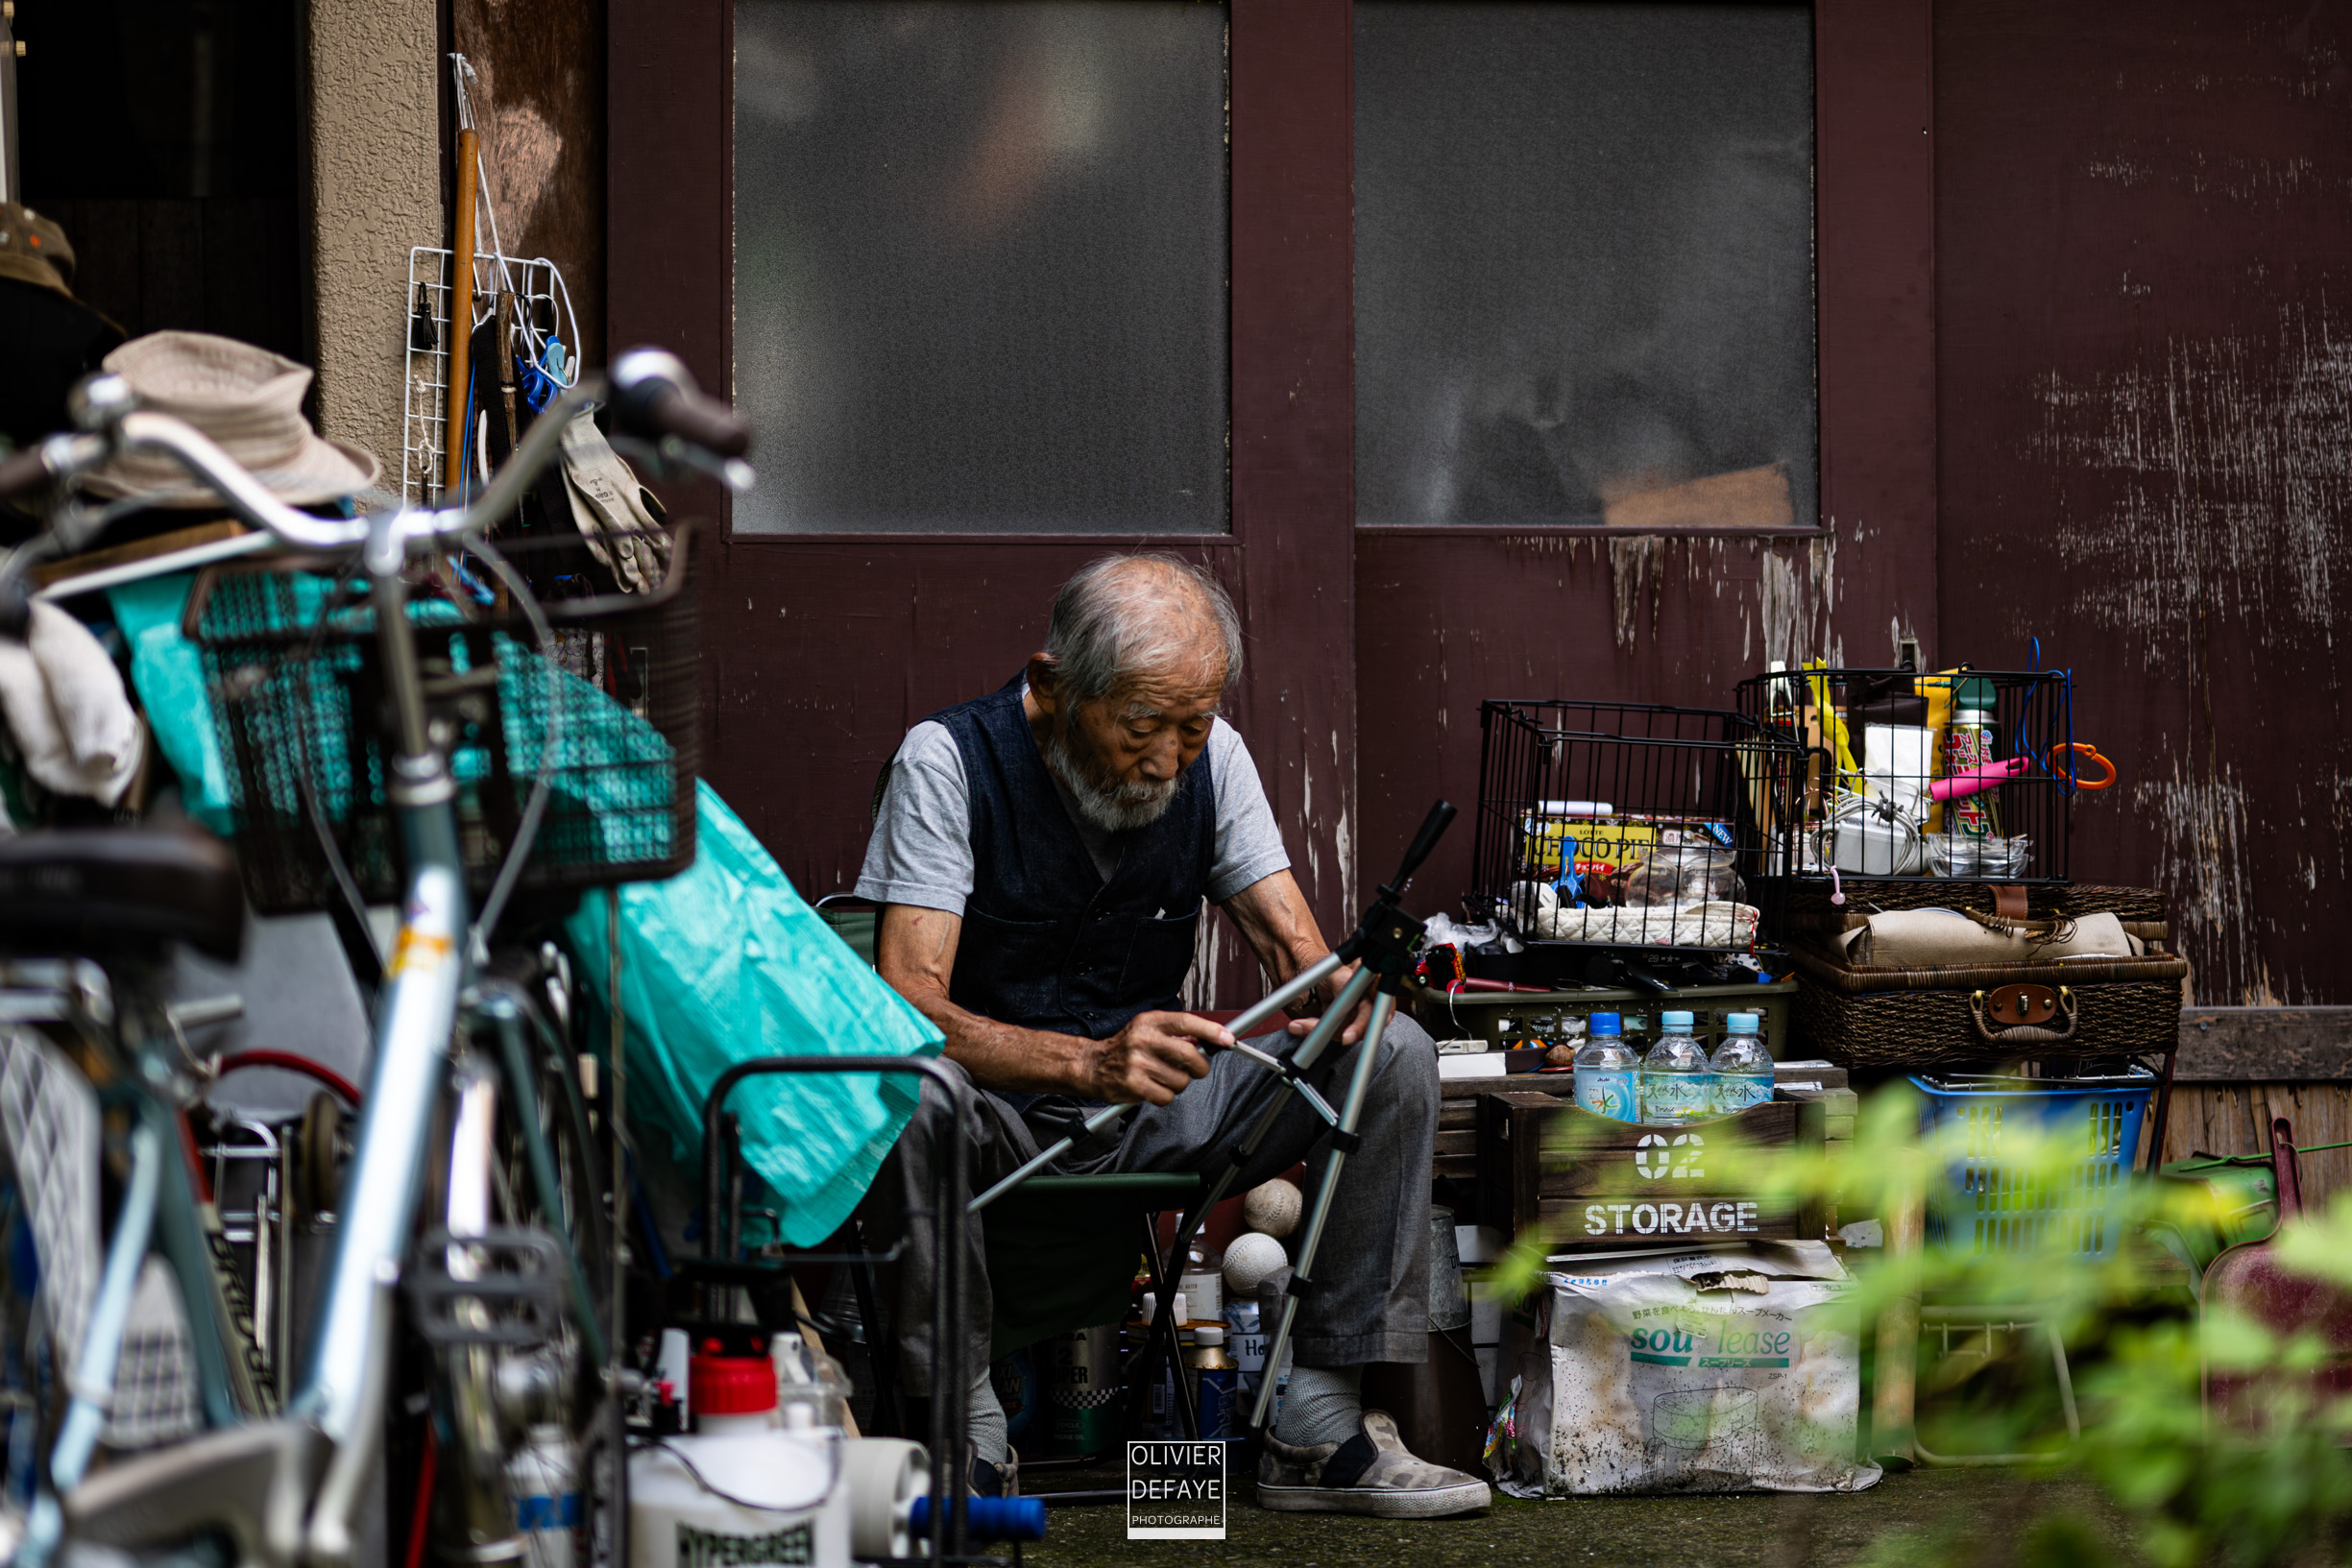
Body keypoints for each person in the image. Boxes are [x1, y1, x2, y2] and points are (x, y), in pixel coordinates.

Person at [855, 553, 1489, 1518]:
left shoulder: (1214, 760)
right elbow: (904, 1005)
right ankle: (964, 1429)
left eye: (1191, 727)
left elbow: (1293, 949)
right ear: (1051, 686)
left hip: (1156, 1114)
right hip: (997, 1115)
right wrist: (1086, 1061)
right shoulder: (946, 763)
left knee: (1389, 1052)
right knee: (911, 1085)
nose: (1166, 760)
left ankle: (1316, 1420)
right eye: (1140, 727)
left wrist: (1344, 996)